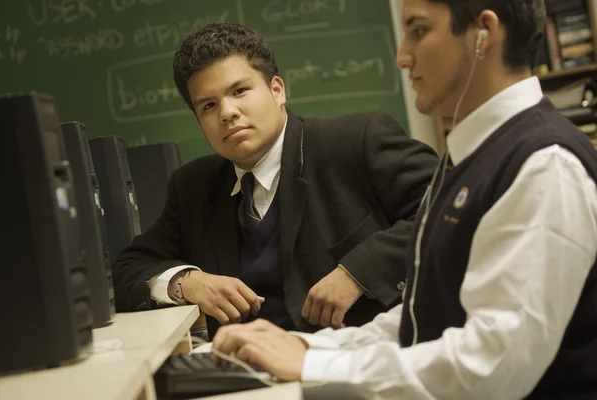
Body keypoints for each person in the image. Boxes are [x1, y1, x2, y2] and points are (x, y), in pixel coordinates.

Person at [211, 0, 597, 398]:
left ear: (484, 34)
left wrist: (314, 364)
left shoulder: (544, 166)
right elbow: (425, 316)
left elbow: (493, 364)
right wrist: (308, 347)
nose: (401, 57)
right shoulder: (473, 155)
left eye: (418, 30)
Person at [112, 22, 438, 339]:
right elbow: (125, 270)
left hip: (357, 358)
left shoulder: (356, 142)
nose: (227, 112)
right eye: (208, 105)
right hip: (248, 372)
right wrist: (188, 282)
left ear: (277, 90)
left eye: (239, 91)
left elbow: (449, 209)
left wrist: (358, 272)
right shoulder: (193, 187)